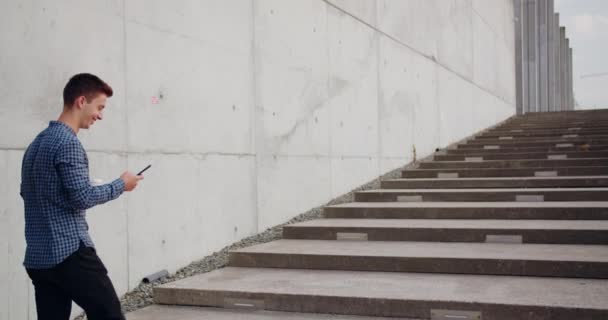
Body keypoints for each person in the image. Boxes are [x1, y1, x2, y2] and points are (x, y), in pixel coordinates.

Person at [20, 73, 143, 320]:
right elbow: (82, 197)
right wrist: (122, 184)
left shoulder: (36, 144)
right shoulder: (67, 142)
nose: (100, 115)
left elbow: (31, 193)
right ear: (81, 101)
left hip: (39, 258)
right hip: (70, 253)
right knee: (109, 315)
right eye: (99, 107)